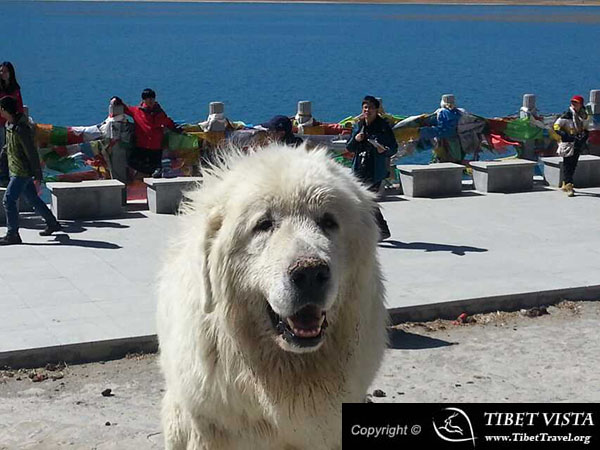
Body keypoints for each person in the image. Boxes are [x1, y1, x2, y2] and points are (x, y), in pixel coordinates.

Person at [0, 96, 62, 245]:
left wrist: (37, 172)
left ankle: (12, 233)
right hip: (14, 168)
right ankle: (52, 223)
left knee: (8, 200)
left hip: (22, 171)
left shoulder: (21, 129)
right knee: (32, 198)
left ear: (4, 110)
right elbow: (9, 145)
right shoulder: (9, 125)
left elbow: (31, 152)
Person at [346, 95, 398, 241]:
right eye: (365, 108)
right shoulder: (359, 125)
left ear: (377, 110)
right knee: (364, 200)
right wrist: (356, 139)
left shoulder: (383, 127)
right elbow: (349, 147)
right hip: (359, 168)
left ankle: (379, 229)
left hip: (376, 169)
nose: (367, 111)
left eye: (370, 108)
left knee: (367, 200)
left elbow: (393, 148)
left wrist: (384, 150)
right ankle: (379, 230)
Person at [111, 89, 177, 177]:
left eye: (152, 98)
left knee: (156, 174)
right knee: (132, 162)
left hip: (156, 147)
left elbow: (168, 122)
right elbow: (125, 109)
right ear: (143, 100)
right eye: (148, 99)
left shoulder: (160, 112)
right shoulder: (137, 111)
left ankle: (156, 171)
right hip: (141, 145)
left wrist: (176, 129)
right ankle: (154, 170)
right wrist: (118, 100)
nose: (150, 101)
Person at [553, 95, 588, 197]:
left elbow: (587, 126)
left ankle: (566, 182)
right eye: (573, 102)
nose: (574, 104)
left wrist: (584, 136)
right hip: (568, 142)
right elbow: (556, 126)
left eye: (576, 103)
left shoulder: (583, 115)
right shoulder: (566, 115)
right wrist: (564, 135)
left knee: (573, 163)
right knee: (567, 163)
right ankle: (569, 184)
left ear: (581, 105)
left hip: (578, 141)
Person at [0, 62, 24, 187]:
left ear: (10, 73)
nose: (2, 74)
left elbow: (19, 106)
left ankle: (11, 175)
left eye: (5, 71)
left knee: (11, 150)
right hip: (1, 124)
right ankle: (3, 177)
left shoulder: (15, 88)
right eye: (1, 71)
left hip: (12, 123)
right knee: (3, 151)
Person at [421, 94, 463, 163]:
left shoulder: (440, 112)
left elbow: (431, 121)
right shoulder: (459, 112)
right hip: (455, 140)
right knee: (456, 158)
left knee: (440, 157)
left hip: (441, 140)